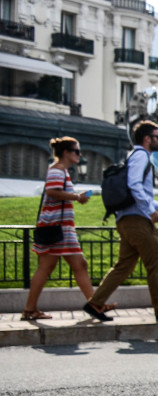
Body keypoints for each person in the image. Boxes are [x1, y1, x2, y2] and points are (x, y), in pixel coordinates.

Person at [86, 121, 158, 322]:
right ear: (147, 139)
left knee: (123, 266)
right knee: (155, 263)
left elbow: (143, 192)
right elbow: (134, 185)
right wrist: (150, 212)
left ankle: (95, 303)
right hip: (137, 220)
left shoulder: (134, 156)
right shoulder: (141, 156)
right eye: (157, 137)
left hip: (126, 219)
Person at [22, 137, 97, 321]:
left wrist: (75, 197)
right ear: (66, 153)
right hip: (58, 227)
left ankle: (30, 310)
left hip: (57, 226)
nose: (80, 155)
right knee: (70, 266)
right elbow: (52, 192)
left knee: (56, 267)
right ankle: (96, 305)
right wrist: (76, 197)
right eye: (77, 152)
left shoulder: (60, 171)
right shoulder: (57, 171)